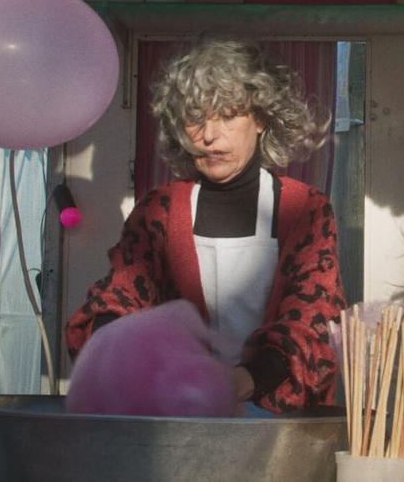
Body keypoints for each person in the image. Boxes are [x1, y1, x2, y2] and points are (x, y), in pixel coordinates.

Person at [66, 39, 346, 413]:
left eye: (228, 116)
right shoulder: (160, 210)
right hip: (179, 417)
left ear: (261, 120)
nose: (209, 136)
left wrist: (242, 381)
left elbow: (314, 322)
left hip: (276, 422)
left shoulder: (305, 209)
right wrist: (110, 343)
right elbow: (120, 296)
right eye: (195, 118)